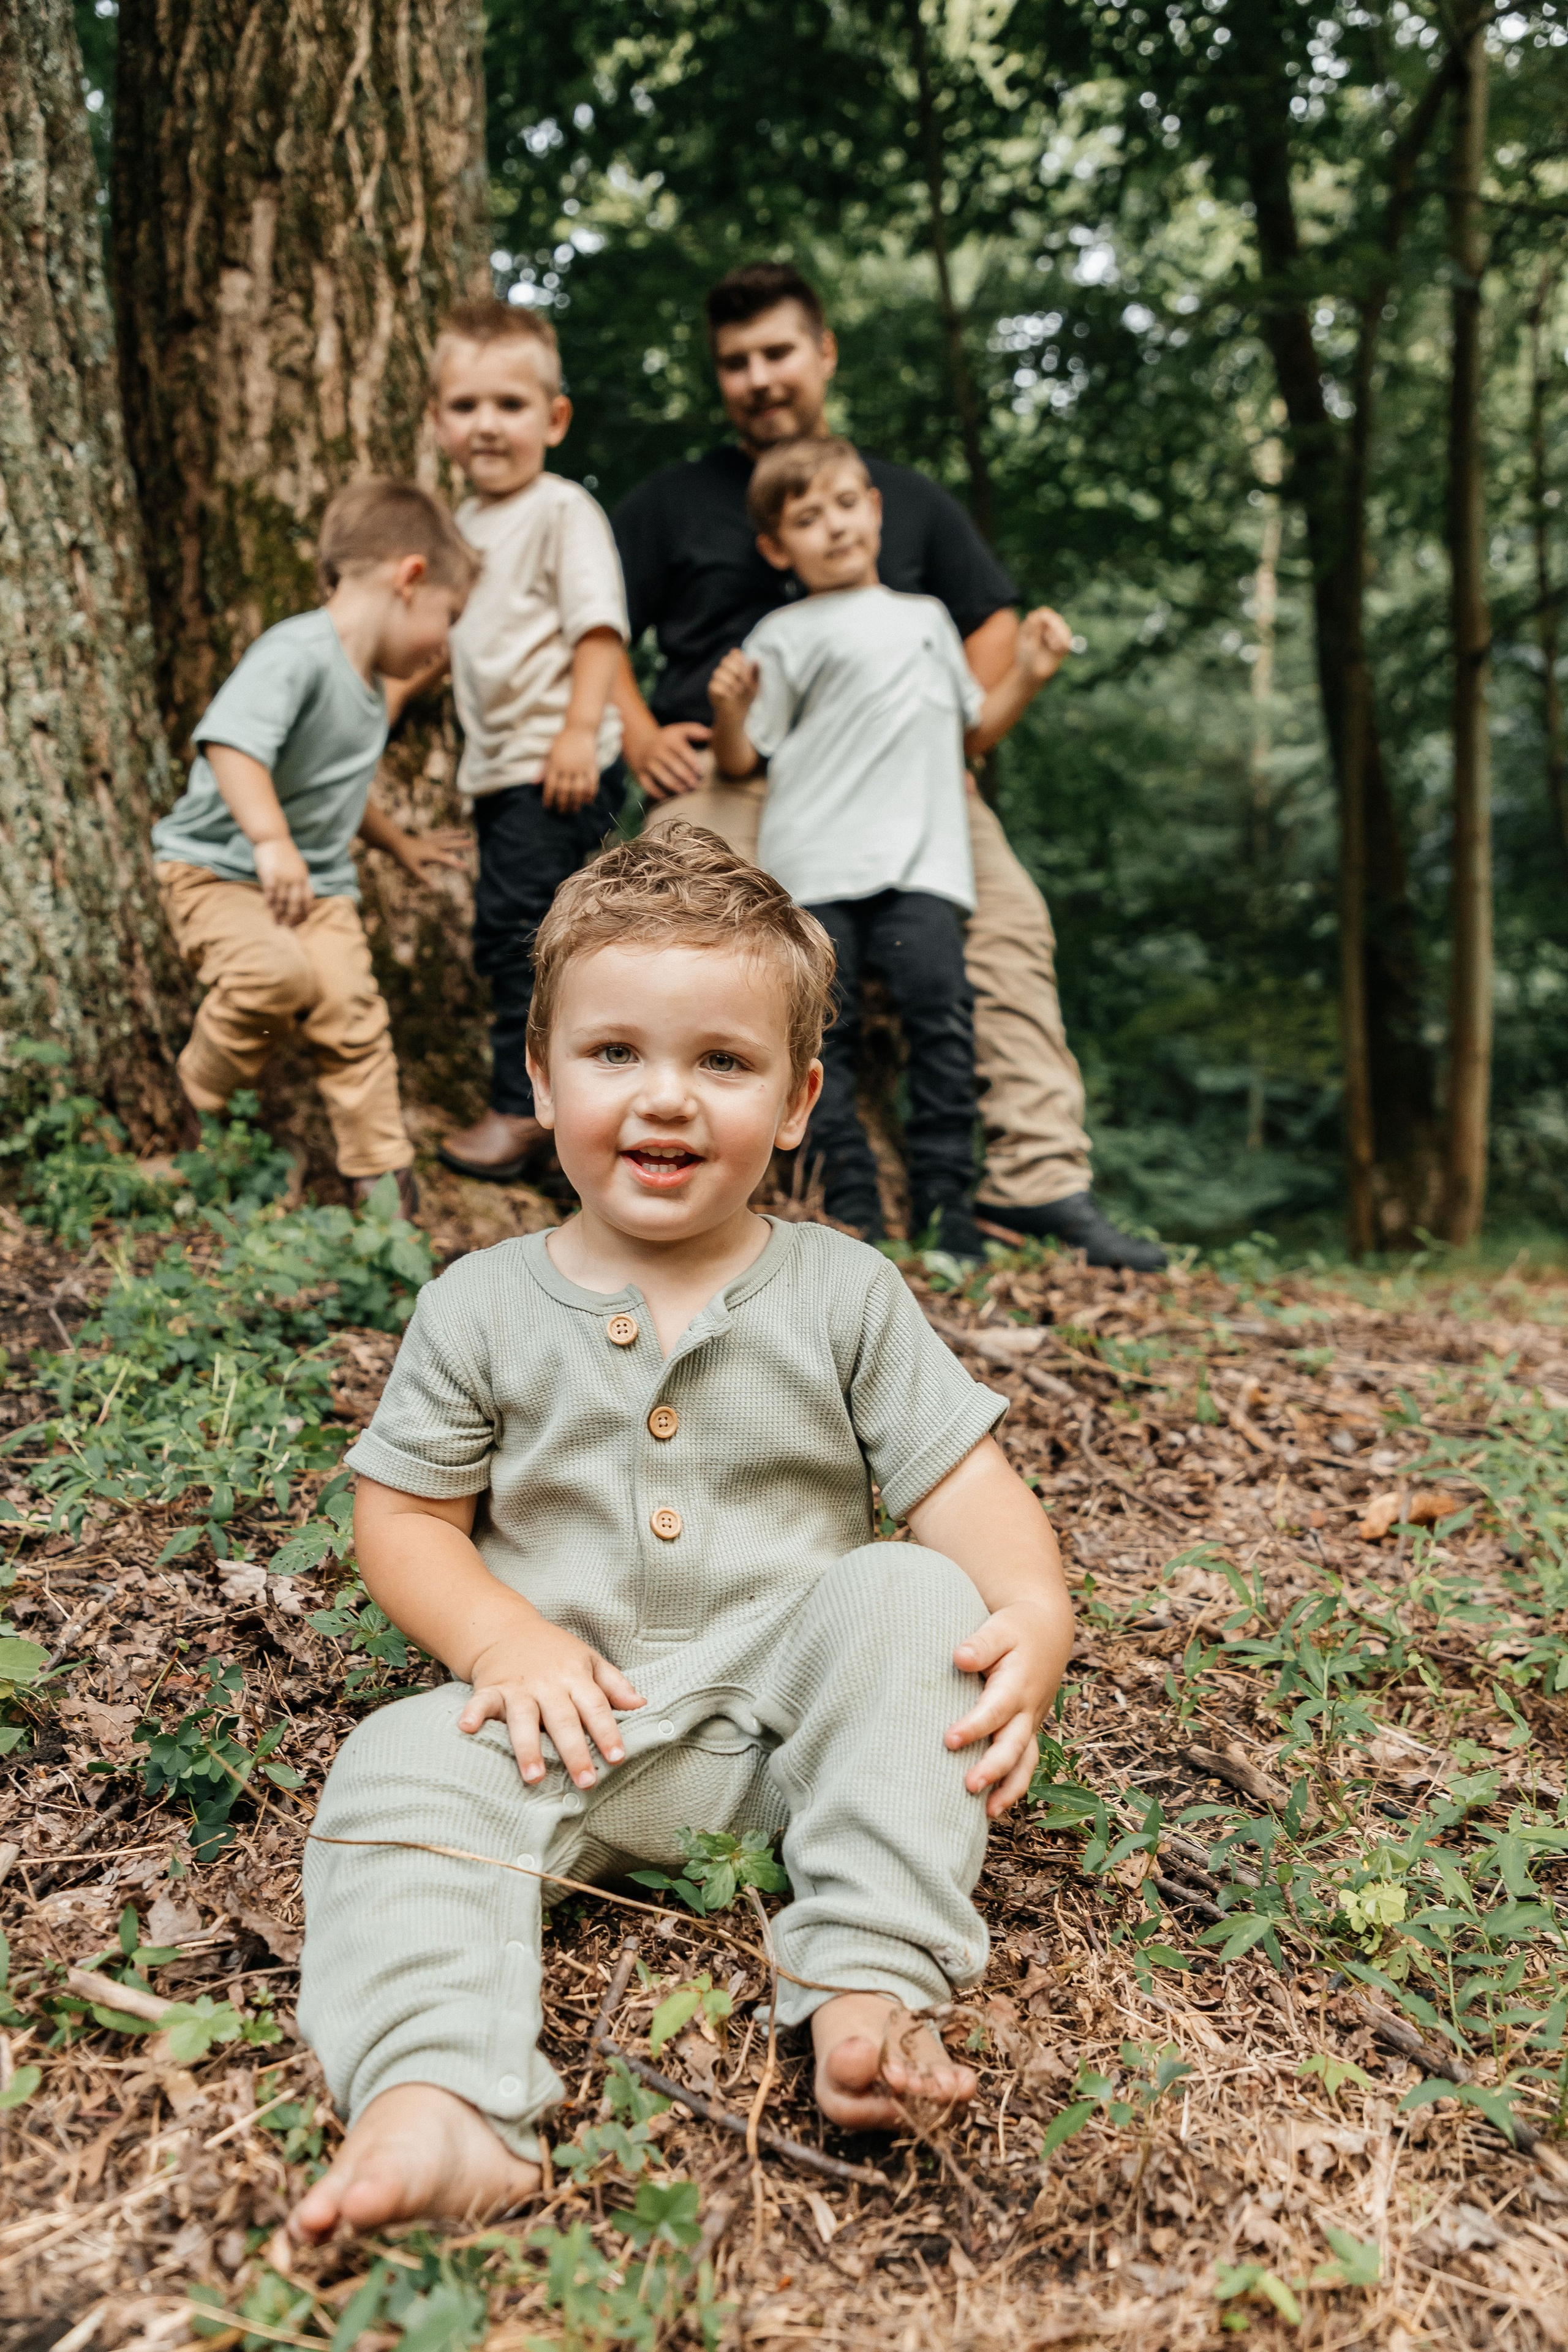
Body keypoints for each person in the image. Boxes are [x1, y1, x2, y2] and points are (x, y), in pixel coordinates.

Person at [281, 828, 1074, 2242]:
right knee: (394, 1761)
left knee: (908, 1586)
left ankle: (868, 1977)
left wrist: (1031, 1612)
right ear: (539, 1077)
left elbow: (965, 1486)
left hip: (796, 1735)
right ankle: (439, 2097)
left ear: (795, 1100)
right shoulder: (478, 1304)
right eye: (614, 1055)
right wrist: (499, 1636)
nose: (665, 1097)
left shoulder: (842, 1289)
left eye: (720, 1061)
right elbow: (402, 1516)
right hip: (563, 1725)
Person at [609, 262, 1166, 1272]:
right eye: (736, 362)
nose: (759, 378)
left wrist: (957, 746)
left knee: (1008, 925)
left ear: (823, 353)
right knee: (663, 919)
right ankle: (671, 1161)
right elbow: (590, 628)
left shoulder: (899, 497)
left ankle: (1036, 1183)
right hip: (736, 779)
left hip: (900, 787)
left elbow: (991, 625)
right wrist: (639, 724)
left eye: (778, 352)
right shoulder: (673, 502)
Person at [709, 436, 1071, 1257]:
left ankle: (949, 1214)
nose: (834, 527)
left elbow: (972, 728)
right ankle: (854, 1215)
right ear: (777, 547)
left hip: (923, 868)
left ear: (875, 509)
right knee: (821, 1038)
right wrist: (729, 708)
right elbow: (741, 758)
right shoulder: (784, 633)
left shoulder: (929, 618)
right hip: (816, 866)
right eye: (808, 518)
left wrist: (1033, 672)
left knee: (941, 1024)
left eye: (846, 505)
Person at [151, 478, 478, 1216]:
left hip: (317, 888)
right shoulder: (296, 651)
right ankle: (195, 1105)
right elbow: (232, 746)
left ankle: (381, 1181)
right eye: (447, 618)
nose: (443, 643)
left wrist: (400, 845)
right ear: (410, 578)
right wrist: (271, 842)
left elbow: (339, 784)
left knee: (352, 1013)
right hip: (220, 873)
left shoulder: (366, 689)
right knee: (273, 979)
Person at [428, 301, 632, 1186]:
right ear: (437, 421)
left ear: (554, 419)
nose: (486, 426)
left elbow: (597, 632)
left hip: (559, 765)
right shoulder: (458, 529)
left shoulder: (560, 510)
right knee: (521, 933)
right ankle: (562, 1125)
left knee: (527, 934)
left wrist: (579, 734)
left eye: (510, 406)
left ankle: (522, 1111)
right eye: (465, 406)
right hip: (503, 771)